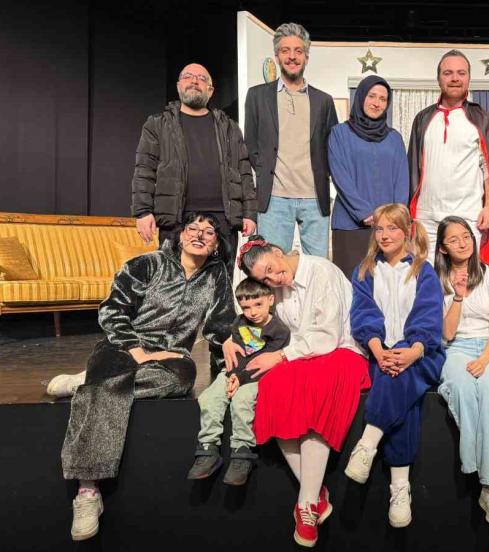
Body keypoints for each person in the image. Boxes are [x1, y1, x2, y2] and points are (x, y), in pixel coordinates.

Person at [48, 212, 234, 541]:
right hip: (122, 346)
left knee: (180, 380)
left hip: (172, 357)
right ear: (180, 235)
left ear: (216, 244)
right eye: (193, 228)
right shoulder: (147, 264)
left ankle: (88, 383)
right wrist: (137, 351)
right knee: (109, 384)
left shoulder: (216, 275)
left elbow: (220, 324)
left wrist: (229, 360)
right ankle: (88, 490)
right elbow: (112, 310)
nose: (199, 235)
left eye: (208, 232)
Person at [230, 235, 370, 547]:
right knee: (272, 385)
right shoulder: (276, 290)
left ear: (277, 251)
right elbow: (262, 325)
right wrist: (232, 339)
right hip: (301, 355)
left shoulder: (321, 271)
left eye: (271, 268)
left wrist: (281, 356)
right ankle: (316, 494)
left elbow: (328, 337)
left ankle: (306, 504)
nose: (273, 279)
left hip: (341, 350)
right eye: (265, 279)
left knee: (315, 387)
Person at [345, 203, 445, 528]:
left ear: (406, 232)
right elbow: (362, 313)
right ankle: (400, 487)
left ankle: (368, 442)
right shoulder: (364, 270)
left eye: (392, 228)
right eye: (380, 229)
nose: (385, 235)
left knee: (399, 376)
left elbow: (429, 315)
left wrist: (412, 351)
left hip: (422, 353)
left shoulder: (422, 270)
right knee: (402, 394)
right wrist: (377, 349)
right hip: (380, 353)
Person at [433, 216, 489, 527]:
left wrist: (485, 359)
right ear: (442, 248)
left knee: (488, 389)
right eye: (453, 239)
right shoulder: (436, 280)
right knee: (461, 388)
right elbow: (447, 334)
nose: (462, 243)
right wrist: (457, 296)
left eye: (466, 236)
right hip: (457, 347)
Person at [131, 63, 257, 271]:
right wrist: (143, 212)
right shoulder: (157, 125)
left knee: (220, 283)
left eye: (201, 78)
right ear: (179, 85)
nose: (194, 81)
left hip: (223, 220)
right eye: (188, 76)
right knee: (174, 282)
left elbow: (244, 172)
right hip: (176, 219)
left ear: (211, 90)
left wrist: (249, 214)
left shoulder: (230, 128)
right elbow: (144, 170)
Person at [244, 22, 339, 257]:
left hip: (314, 198)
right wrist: (267, 171)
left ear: (306, 57)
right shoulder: (257, 96)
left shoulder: (324, 101)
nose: (292, 57)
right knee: (272, 265)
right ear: (277, 56)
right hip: (273, 199)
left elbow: (333, 148)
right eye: (285, 50)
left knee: (318, 267)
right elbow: (251, 145)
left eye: (298, 51)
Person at [408, 49, 489, 270]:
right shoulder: (423, 119)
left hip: (468, 216)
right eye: (448, 73)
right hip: (426, 218)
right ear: (438, 78)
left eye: (461, 73)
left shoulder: (481, 118)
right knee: (426, 280)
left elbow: (488, 166)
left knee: (467, 279)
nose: (455, 78)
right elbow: (412, 167)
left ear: (469, 78)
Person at [187, 277, 290, 486]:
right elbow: (236, 354)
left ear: (270, 300)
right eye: (246, 307)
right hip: (235, 371)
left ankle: (242, 452)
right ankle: (208, 448)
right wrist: (233, 375)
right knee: (208, 398)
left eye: (258, 304)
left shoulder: (280, 330)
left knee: (242, 400)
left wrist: (239, 379)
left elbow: (263, 363)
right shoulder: (239, 322)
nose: (252, 312)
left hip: (259, 375)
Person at [328, 75, 409, 276]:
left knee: (389, 285)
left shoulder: (394, 138)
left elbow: (402, 180)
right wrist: (363, 212)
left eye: (383, 99)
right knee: (351, 285)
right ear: (361, 97)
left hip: (389, 227)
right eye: (371, 96)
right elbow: (340, 176)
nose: (377, 103)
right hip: (351, 226)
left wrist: (395, 218)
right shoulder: (340, 133)